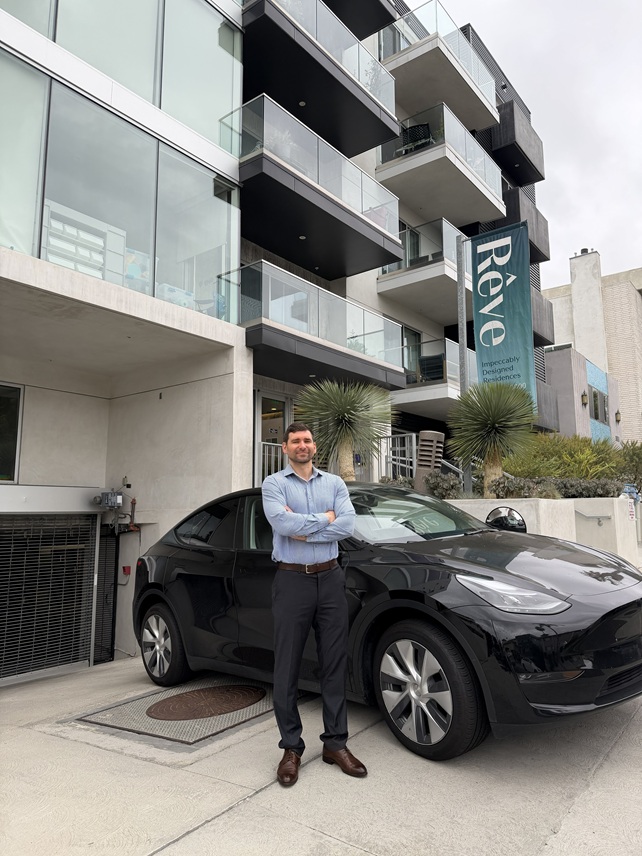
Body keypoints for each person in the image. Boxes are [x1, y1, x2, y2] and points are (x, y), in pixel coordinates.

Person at [261, 422, 367, 787]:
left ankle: (335, 744)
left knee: (334, 663)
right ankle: (291, 747)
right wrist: (325, 519)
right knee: (287, 666)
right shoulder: (274, 484)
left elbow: (347, 525)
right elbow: (282, 523)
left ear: (315, 446)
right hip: (292, 580)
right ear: (285, 448)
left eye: (307, 440)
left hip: (331, 578)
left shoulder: (334, 483)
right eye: (295, 441)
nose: (302, 445)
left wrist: (305, 529)